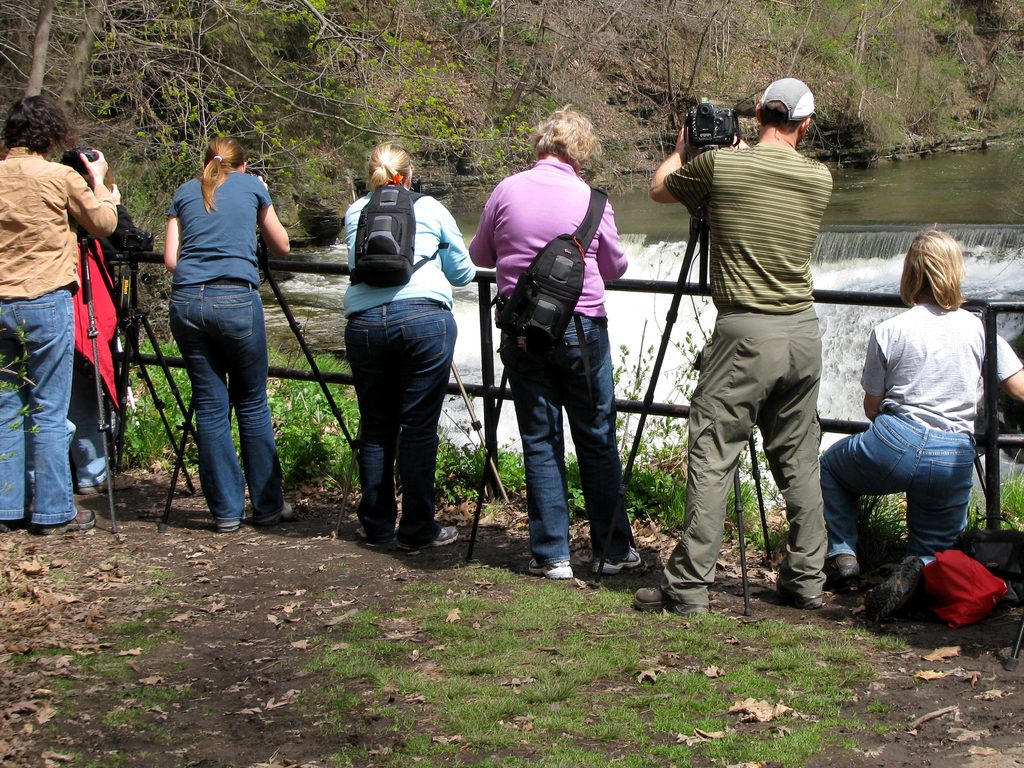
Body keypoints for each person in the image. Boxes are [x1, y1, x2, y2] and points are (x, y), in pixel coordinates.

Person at [634, 78, 833, 615]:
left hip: (746, 332)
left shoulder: (720, 168)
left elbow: (660, 189)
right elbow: (767, 173)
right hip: (802, 330)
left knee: (713, 452)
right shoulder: (819, 177)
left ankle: (689, 586)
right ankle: (807, 577)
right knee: (798, 457)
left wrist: (682, 147)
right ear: (805, 124)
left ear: (756, 113)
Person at [469, 107, 640, 580]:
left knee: (540, 440)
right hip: (581, 327)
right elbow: (615, 268)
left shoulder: (505, 189)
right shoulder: (592, 200)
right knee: (597, 437)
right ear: (580, 153)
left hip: (523, 330)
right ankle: (611, 550)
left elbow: (479, 254)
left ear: (539, 146)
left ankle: (552, 555)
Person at [819, 229, 1024, 619]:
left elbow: (871, 407)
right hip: (952, 453)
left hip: (894, 440)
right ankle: (919, 570)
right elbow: (1018, 387)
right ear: (955, 272)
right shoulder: (980, 328)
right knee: (935, 551)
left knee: (832, 465)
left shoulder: (890, 330)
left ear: (910, 274)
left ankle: (843, 554)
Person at [343, 143, 474, 549]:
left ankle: (378, 524)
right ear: (410, 174)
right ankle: (418, 527)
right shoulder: (431, 207)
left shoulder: (356, 211)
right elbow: (464, 273)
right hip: (423, 321)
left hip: (364, 323)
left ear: (370, 175)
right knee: (417, 427)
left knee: (377, 425)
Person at [0, 95, 120, 534]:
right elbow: (104, 224)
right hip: (45, 301)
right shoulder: (59, 177)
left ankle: (6, 508)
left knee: (5, 408)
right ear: (49, 135)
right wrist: (102, 185)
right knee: (49, 409)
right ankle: (53, 511)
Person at [164, 137, 292, 533]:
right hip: (235, 297)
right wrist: (263, 198)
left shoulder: (185, 192)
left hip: (186, 300)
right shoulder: (252, 186)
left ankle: (225, 512)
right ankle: (267, 506)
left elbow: (172, 259)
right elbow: (282, 245)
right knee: (252, 402)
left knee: (209, 404)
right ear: (244, 164)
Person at [67, 158, 142, 496]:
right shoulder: (89, 211)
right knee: (83, 386)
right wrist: (111, 203)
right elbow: (130, 240)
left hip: (40, 302)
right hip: (84, 310)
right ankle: (93, 473)